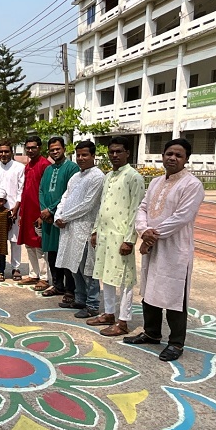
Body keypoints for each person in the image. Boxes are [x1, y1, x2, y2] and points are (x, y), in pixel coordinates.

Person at [124, 139, 204, 362]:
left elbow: (182, 217)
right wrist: (143, 230)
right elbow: (142, 208)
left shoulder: (192, 185)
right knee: (150, 289)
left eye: (178, 155)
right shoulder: (156, 182)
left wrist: (152, 235)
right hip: (153, 245)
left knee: (174, 294)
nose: (173, 158)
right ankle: (152, 333)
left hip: (175, 248)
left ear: (186, 159)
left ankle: (176, 343)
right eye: (169, 154)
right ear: (162, 155)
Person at [87, 137, 146, 334]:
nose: (114, 155)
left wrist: (129, 240)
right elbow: (102, 206)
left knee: (124, 279)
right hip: (105, 235)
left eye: (119, 151)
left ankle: (123, 321)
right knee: (107, 275)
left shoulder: (134, 177)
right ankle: (109, 313)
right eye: (111, 152)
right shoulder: (108, 176)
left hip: (121, 237)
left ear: (127, 153)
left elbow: (136, 210)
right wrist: (95, 231)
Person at [53, 140, 105, 314]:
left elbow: (88, 204)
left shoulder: (97, 177)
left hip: (85, 228)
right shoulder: (75, 177)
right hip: (69, 228)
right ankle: (80, 299)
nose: (81, 158)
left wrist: (65, 217)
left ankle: (92, 305)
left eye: (85, 155)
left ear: (93, 156)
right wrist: (58, 216)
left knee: (87, 269)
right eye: (78, 155)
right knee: (74, 266)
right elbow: (65, 197)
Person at [39, 136, 80, 299]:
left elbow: (70, 193)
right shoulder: (48, 169)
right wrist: (44, 211)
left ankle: (70, 289)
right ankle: (57, 285)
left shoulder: (72, 168)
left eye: (58, 149)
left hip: (63, 219)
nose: (55, 152)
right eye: (52, 150)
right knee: (52, 253)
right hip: (48, 219)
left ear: (64, 149)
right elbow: (41, 191)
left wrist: (52, 210)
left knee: (65, 253)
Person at [0, 140, 25, 281]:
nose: (3, 154)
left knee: (14, 239)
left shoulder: (19, 168)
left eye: (6, 151)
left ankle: (15, 267)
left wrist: (17, 207)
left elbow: (21, 189)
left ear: (11, 152)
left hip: (13, 209)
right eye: (1, 151)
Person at [17, 136, 51, 289]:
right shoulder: (28, 166)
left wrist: (43, 213)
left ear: (40, 148)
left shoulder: (45, 165)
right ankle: (33, 274)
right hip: (27, 211)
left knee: (39, 245)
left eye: (33, 147)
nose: (30, 150)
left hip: (39, 211)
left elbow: (46, 192)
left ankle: (44, 277)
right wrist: (21, 213)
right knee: (29, 244)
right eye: (28, 148)